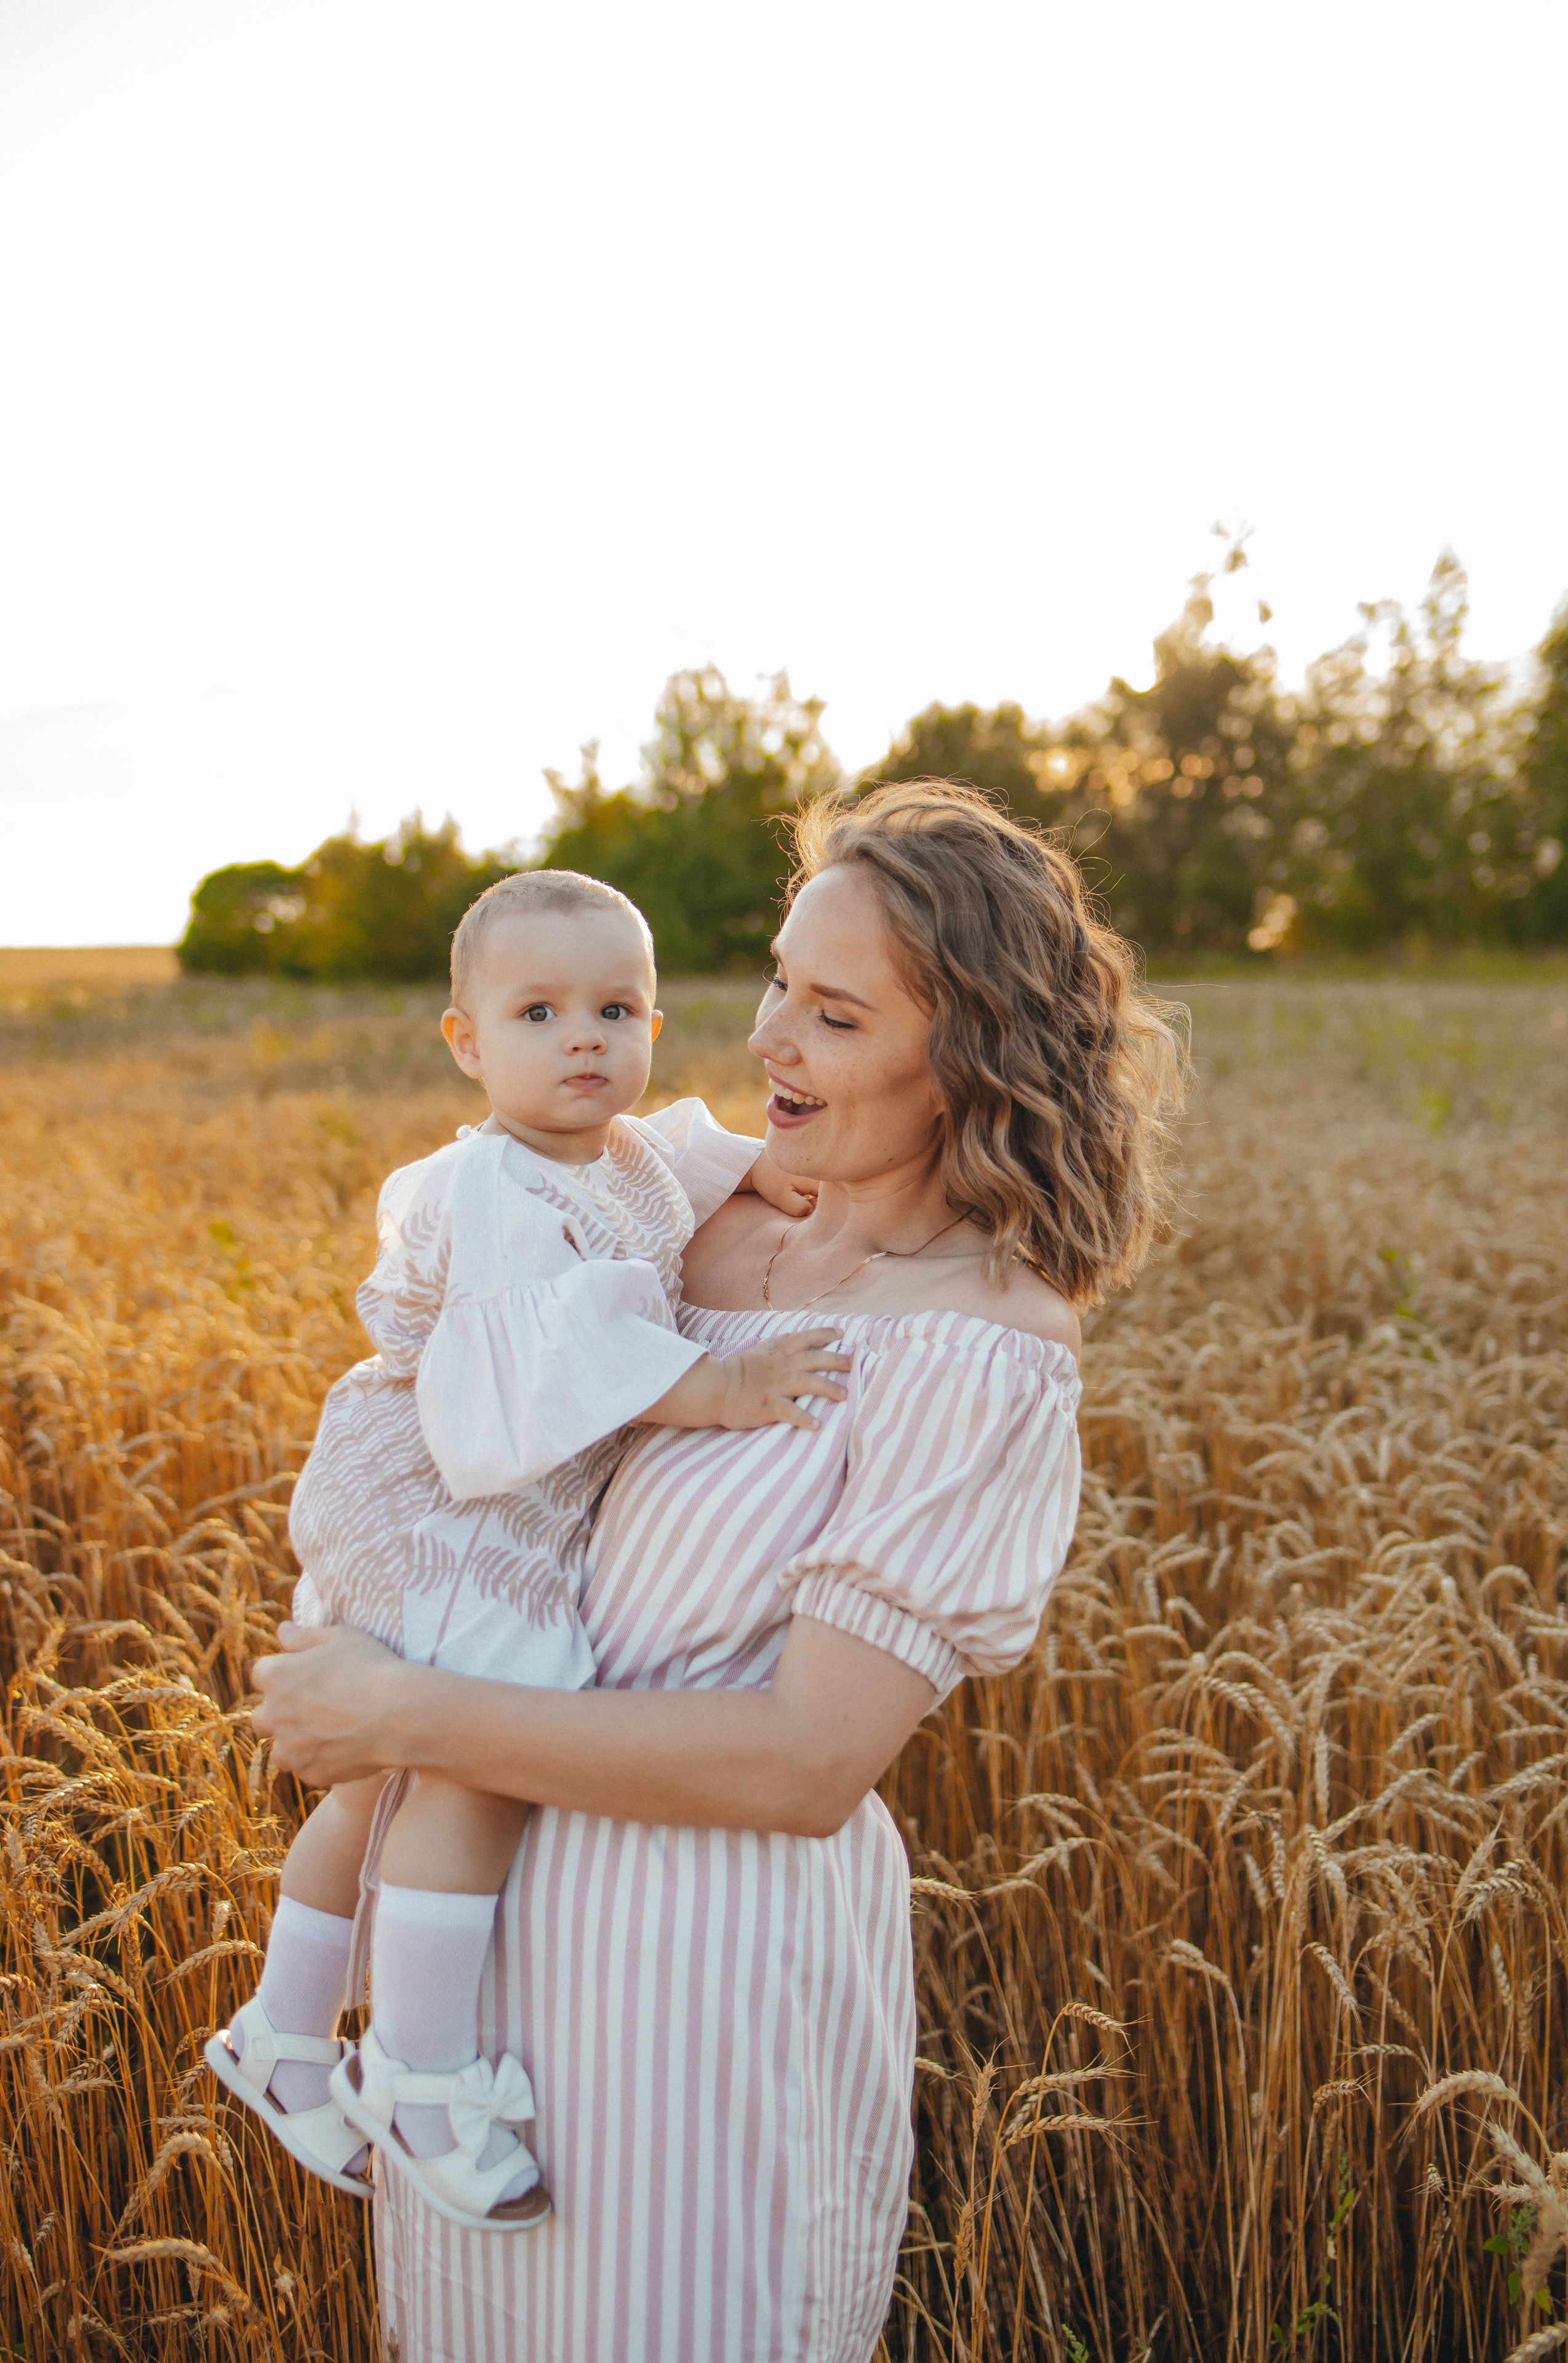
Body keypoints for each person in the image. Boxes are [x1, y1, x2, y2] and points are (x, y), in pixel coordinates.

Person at [252, 782, 1183, 2361]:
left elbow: (806, 1763)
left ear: (966, 1057)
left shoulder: (979, 1351)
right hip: (469, 2001)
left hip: (701, 1998)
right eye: (771, 981)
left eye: (831, 1014)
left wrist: (405, 1712)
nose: (766, 1039)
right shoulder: (675, 1223)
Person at [207, 868, 846, 2232]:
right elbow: (566, 1358)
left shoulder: (609, 1152)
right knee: (481, 1755)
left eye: (615, 1009)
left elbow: (687, 1158)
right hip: (444, 1501)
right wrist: (723, 1388)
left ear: (653, 1025)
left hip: (458, 1497)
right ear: (466, 1040)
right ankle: (422, 2079)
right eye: (540, 1011)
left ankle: (280, 2031)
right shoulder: (498, 1190)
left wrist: (774, 1170)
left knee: (378, 1783)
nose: (582, 1040)